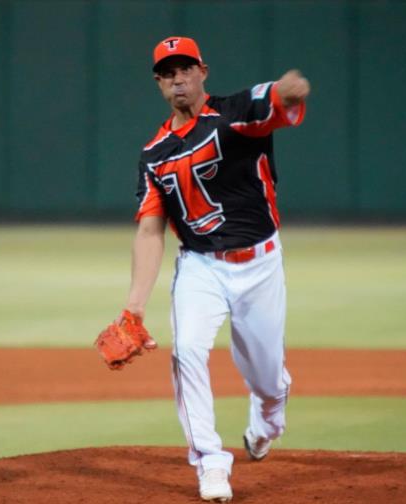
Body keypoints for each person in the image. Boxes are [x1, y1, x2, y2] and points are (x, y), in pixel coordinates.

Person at [123, 36, 309, 502]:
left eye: (185, 68)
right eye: (168, 72)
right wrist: (134, 308)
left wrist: (290, 88)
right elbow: (150, 232)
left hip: (260, 263)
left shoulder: (237, 113)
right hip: (200, 265)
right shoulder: (155, 154)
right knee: (186, 348)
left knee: (266, 377)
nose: (178, 78)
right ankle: (209, 462)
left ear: (203, 70)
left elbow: (277, 98)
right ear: (159, 83)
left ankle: (268, 412)